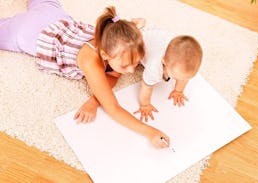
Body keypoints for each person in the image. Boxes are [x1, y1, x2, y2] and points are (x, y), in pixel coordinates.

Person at [0, 0, 169, 148]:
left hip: (55, 16)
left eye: (136, 62)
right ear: (104, 55)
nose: (132, 70)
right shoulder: (91, 61)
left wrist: (93, 101)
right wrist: (151, 132)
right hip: (30, 31)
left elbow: (112, 75)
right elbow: (113, 107)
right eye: (125, 66)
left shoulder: (116, 36)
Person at [133, 28, 203, 122]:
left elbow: (183, 78)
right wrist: (145, 105)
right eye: (176, 77)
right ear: (164, 62)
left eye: (187, 78)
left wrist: (178, 91)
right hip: (141, 41)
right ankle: (135, 27)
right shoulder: (154, 67)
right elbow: (146, 86)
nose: (182, 80)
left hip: (162, 38)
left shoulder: (179, 61)